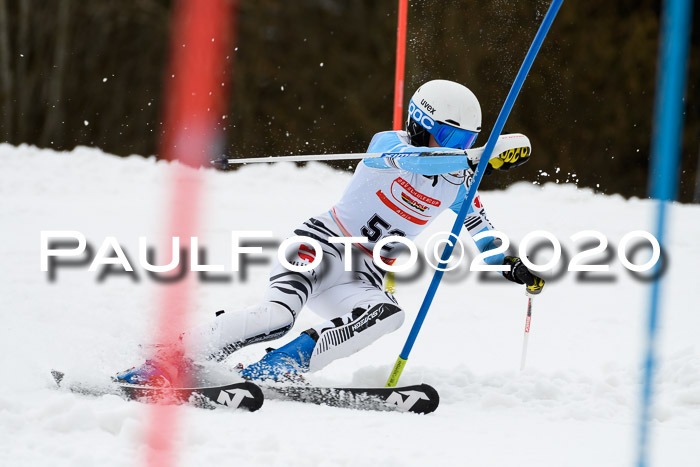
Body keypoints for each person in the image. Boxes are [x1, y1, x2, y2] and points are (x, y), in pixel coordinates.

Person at [117, 79, 544, 386]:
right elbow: (419, 163)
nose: (453, 145)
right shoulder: (387, 145)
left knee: (388, 314)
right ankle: (168, 357)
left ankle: (278, 368)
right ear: (420, 122)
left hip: (361, 275)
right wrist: (476, 156)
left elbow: (480, 228)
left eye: (464, 137)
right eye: (448, 134)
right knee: (277, 317)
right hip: (318, 246)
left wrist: (510, 265)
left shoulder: (458, 180)